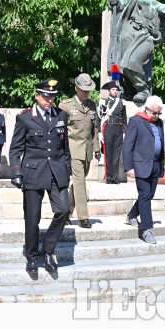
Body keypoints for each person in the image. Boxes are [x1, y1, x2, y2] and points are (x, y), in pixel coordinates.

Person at [9, 78, 72, 274]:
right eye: (45, 96)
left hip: (56, 171)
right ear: (37, 96)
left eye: (52, 96)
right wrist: (16, 172)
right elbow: (15, 149)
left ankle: (47, 250)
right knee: (32, 218)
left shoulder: (62, 115)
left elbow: (65, 146)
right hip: (33, 172)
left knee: (63, 210)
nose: (49, 100)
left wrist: (67, 169)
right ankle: (32, 256)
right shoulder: (25, 118)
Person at [123, 95, 165, 244]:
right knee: (145, 194)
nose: (156, 116)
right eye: (154, 113)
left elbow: (160, 142)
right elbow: (127, 145)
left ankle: (132, 215)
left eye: (159, 113)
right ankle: (147, 229)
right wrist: (129, 167)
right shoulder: (136, 120)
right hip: (140, 164)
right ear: (146, 109)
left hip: (155, 164)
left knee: (149, 194)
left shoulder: (159, 123)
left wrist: (161, 164)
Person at [59, 74, 100, 229]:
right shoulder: (66, 105)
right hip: (73, 150)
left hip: (87, 151)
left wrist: (96, 148)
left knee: (77, 183)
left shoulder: (92, 105)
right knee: (80, 182)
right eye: (83, 90)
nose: (86, 93)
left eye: (88, 90)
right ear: (76, 88)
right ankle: (83, 217)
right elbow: (61, 131)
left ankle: (66, 214)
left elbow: (94, 130)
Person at [98, 67, 127, 184]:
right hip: (108, 127)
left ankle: (114, 177)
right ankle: (108, 177)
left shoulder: (121, 103)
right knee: (108, 153)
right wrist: (100, 132)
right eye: (113, 89)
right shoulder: (104, 102)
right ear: (109, 90)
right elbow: (99, 118)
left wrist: (124, 131)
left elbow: (124, 118)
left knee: (116, 155)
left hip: (118, 128)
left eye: (116, 89)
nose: (115, 91)